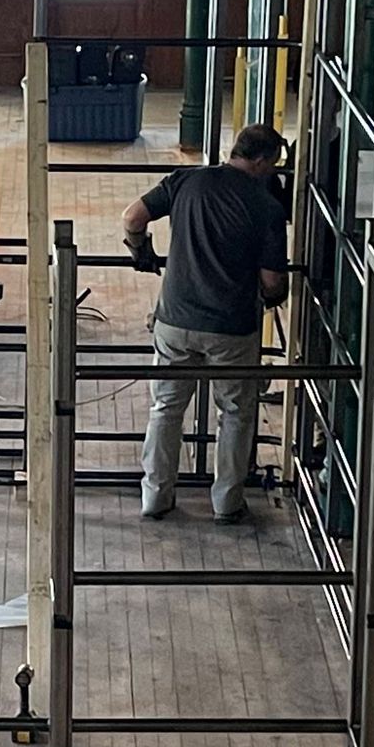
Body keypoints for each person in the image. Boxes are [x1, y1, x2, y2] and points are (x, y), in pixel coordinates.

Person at [124, 124, 289, 525]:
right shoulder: (265, 205)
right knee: (234, 411)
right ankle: (227, 503)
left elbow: (133, 216)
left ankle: (156, 497)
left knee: (165, 407)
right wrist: (273, 299)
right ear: (263, 160)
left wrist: (141, 250)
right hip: (231, 326)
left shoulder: (186, 180)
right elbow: (271, 280)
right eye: (274, 165)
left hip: (175, 318)